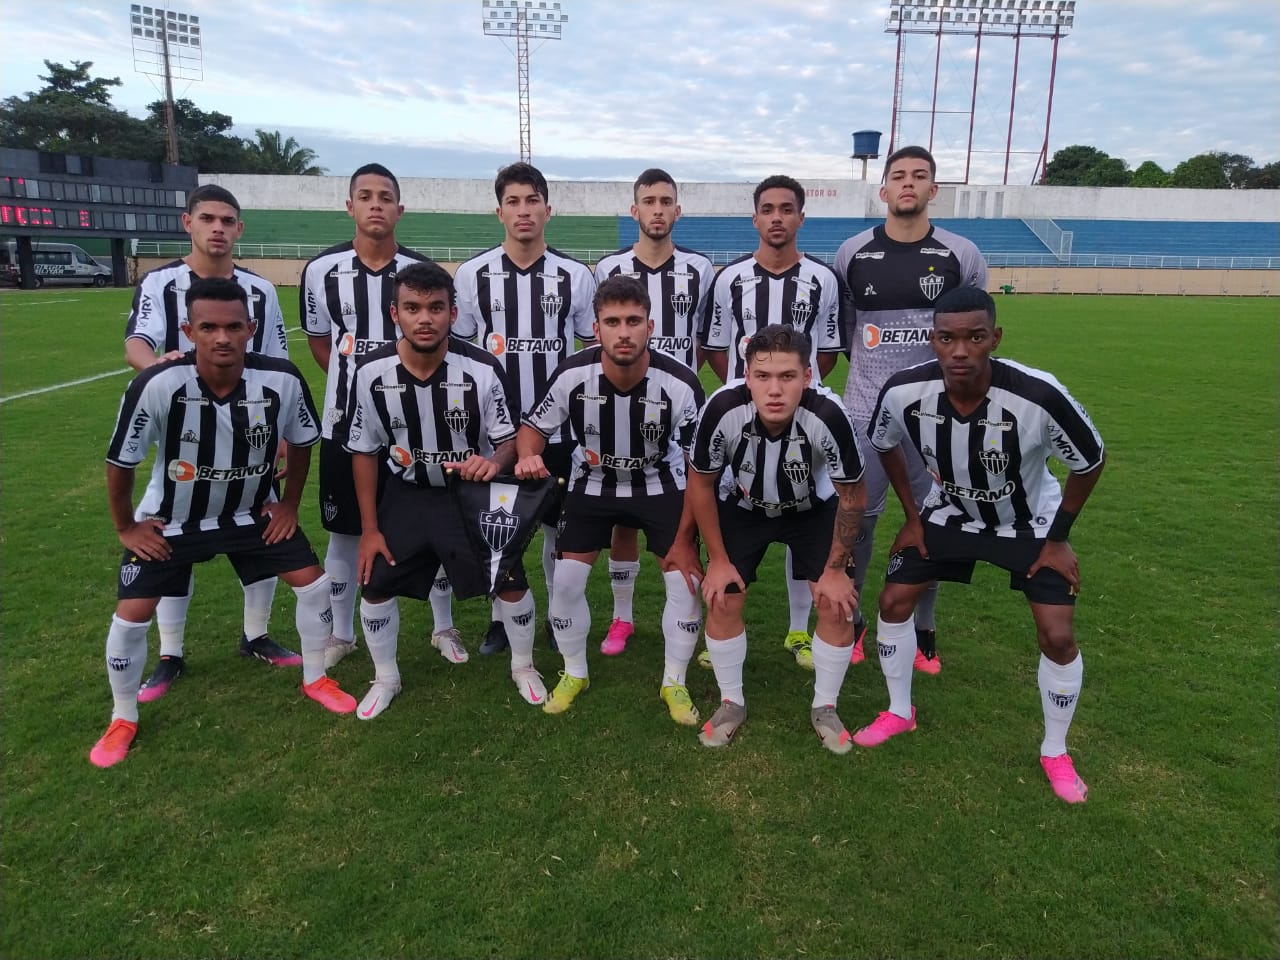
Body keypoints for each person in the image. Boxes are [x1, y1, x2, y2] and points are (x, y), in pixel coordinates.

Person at [851, 286, 1105, 804]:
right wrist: (914, 514)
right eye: (947, 338)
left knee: (1057, 635)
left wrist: (1058, 538)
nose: (960, 351)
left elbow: (1090, 460)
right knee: (893, 600)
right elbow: (883, 444)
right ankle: (900, 712)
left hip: (1030, 524)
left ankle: (1054, 749)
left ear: (995, 338)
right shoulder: (903, 391)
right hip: (948, 514)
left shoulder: (1038, 395)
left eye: (974, 337)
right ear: (933, 340)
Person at [90, 278, 357, 768]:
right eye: (208, 327)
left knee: (315, 586)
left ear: (250, 329)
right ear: (189, 330)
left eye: (233, 326)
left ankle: (316, 677)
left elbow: (302, 443)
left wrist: (290, 505)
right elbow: (119, 462)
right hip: (173, 519)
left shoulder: (281, 379)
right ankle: (122, 716)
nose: (222, 338)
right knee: (131, 616)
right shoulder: (157, 384)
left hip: (252, 513)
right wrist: (127, 527)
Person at [345, 262, 544, 718]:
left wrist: (492, 463)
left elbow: (508, 441)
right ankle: (386, 677)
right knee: (376, 585)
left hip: (468, 496)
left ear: (454, 313)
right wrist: (370, 528)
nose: (425, 318)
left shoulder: (481, 368)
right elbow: (362, 450)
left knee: (510, 581)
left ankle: (523, 666)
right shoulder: (371, 372)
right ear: (395, 313)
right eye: (412, 307)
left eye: (436, 307)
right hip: (407, 494)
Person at [123, 184, 295, 702]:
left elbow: (278, 360)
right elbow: (137, 342)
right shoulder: (161, 281)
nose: (217, 228)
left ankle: (257, 635)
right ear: (188, 224)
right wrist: (163, 377)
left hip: (253, 426)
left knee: (259, 521)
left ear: (239, 229)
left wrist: (284, 433)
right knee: (172, 525)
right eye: (207, 219)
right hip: (183, 425)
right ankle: (171, 652)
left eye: (227, 220)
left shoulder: (260, 290)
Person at [514, 275, 705, 723]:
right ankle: (574, 671)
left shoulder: (679, 382)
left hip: (659, 483)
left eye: (633, 321)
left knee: (684, 583)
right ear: (596, 327)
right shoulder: (572, 374)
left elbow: (701, 467)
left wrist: (690, 533)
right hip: (592, 484)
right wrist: (527, 456)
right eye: (613, 321)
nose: (624, 332)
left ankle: (673, 682)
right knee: (564, 583)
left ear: (650, 326)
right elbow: (532, 431)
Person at [299, 164, 464, 669]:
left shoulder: (420, 272)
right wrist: (363, 387)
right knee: (346, 533)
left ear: (399, 209)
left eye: (385, 197)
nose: (376, 204)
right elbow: (321, 345)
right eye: (365, 196)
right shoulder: (321, 271)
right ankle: (342, 634)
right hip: (344, 426)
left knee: (434, 526)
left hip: (415, 426)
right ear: (350, 206)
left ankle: (443, 627)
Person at [835, 145, 989, 675]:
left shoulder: (960, 254)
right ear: (883, 190)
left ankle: (923, 630)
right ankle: (850, 625)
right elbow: (851, 334)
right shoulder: (852, 252)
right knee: (858, 521)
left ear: (933, 189)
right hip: (864, 414)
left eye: (918, 176)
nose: (907, 184)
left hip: (936, 422)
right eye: (897, 176)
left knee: (934, 522)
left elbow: (970, 336)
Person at [682, 324, 867, 753]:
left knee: (836, 604)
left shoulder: (829, 415)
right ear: (746, 376)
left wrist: (836, 569)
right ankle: (731, 703)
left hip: (812, 511)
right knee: (723, 594)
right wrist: (718, 559)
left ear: (808, 377)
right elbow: (701, 484)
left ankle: (825, 707)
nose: (775, 389)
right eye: (763, 377)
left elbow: (853, 496)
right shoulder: (723, 407)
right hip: (746, 507)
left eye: (787, 376)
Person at [701, 174, 848, 672]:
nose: (778, 217)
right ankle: (722, 630)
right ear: (756, 218)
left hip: (803, 420)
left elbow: (828, 350)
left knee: (805, 503)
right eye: (768, 209)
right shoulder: (729, 279)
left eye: (787, 209)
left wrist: (795, 393)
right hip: (747, 419)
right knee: (744, 499)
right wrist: (751, 393)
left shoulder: (824, 279)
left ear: (801, 218)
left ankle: (798, 631)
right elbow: (716, 346)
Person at [453, 162, 596, 655]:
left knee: (561, 531)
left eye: (532, 200)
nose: (523, 211)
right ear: (499, 211)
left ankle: (560, 618)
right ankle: (500, 618)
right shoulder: (472, 275)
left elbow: (586, 355)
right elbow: (464, 357)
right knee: (499, 528)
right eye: (513, 202)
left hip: (559, 432)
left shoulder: (575, 276)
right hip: (495, 433)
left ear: (548, 210)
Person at [591, 168, 715, 655]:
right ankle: (622, 618)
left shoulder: (700, 270)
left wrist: (678, 380)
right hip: (620, 402)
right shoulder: (609, 267)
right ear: (635, 210)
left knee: (693, 506)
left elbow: (706, 338)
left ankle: (698, 617)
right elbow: (597, 338)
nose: (658, 210)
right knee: (624, 511)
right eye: (649, 201)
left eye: (666, 201)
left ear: (677, 211)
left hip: (679, 406)